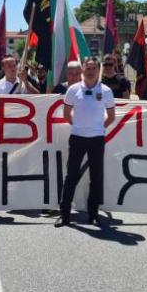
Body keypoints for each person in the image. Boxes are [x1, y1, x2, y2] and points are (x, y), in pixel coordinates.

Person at [56, 57, 115, 227]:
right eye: (87, 68)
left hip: (97, 140)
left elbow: (110, 117)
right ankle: (64, 215)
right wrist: (80, 126)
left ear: (98, 70)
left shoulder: (106, 91)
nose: (90, 71)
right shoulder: (73, 90)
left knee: (96, 178)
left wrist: (97, 128)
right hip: (77, 138)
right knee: (71, 177)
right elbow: (67, 114)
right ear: (83, 69)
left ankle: (93, 214)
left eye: (93, 68)